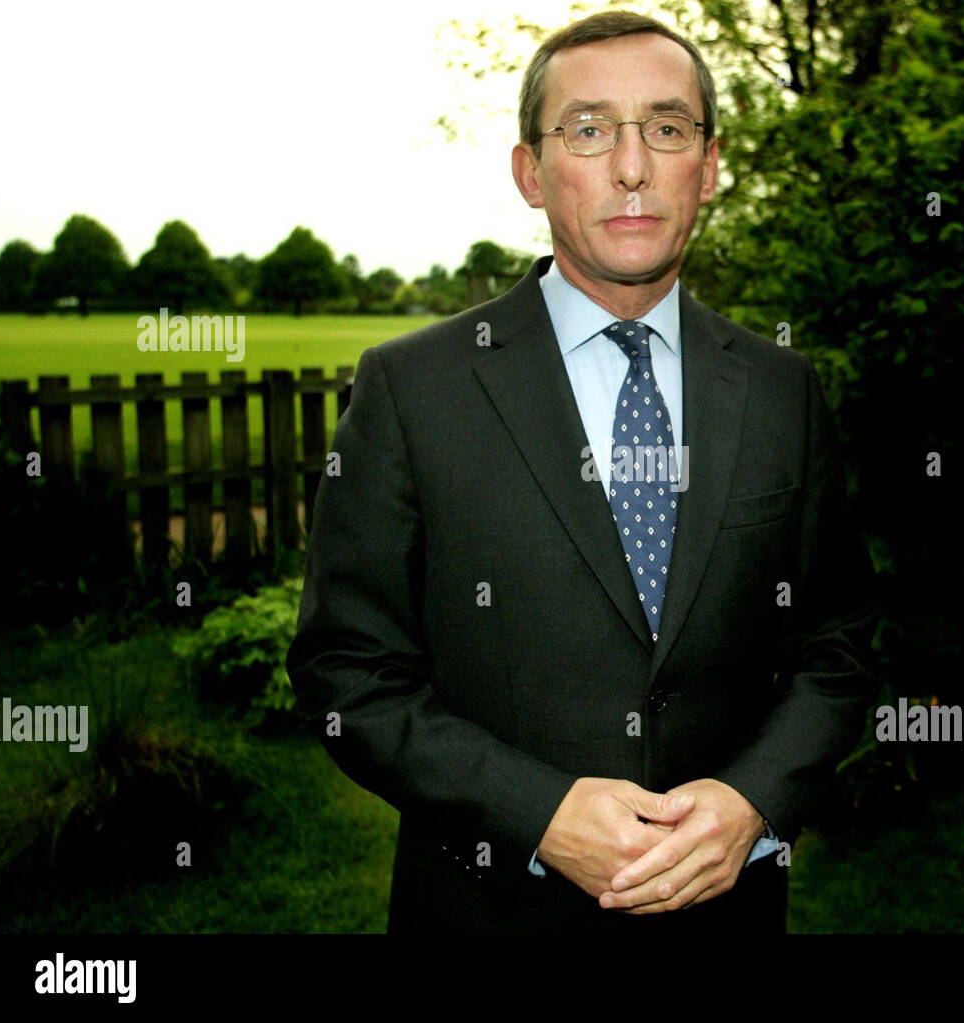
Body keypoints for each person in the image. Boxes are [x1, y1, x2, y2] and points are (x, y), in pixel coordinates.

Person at [286, 9, 882, 934]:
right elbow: (347, 674)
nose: (633, 166)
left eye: (668, 129)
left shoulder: (782, 389)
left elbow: (839, 648)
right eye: (591, 129)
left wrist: (754, 800)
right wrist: (539, 814)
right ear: (530, 171)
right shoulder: (411, 389)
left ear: (710, 166)